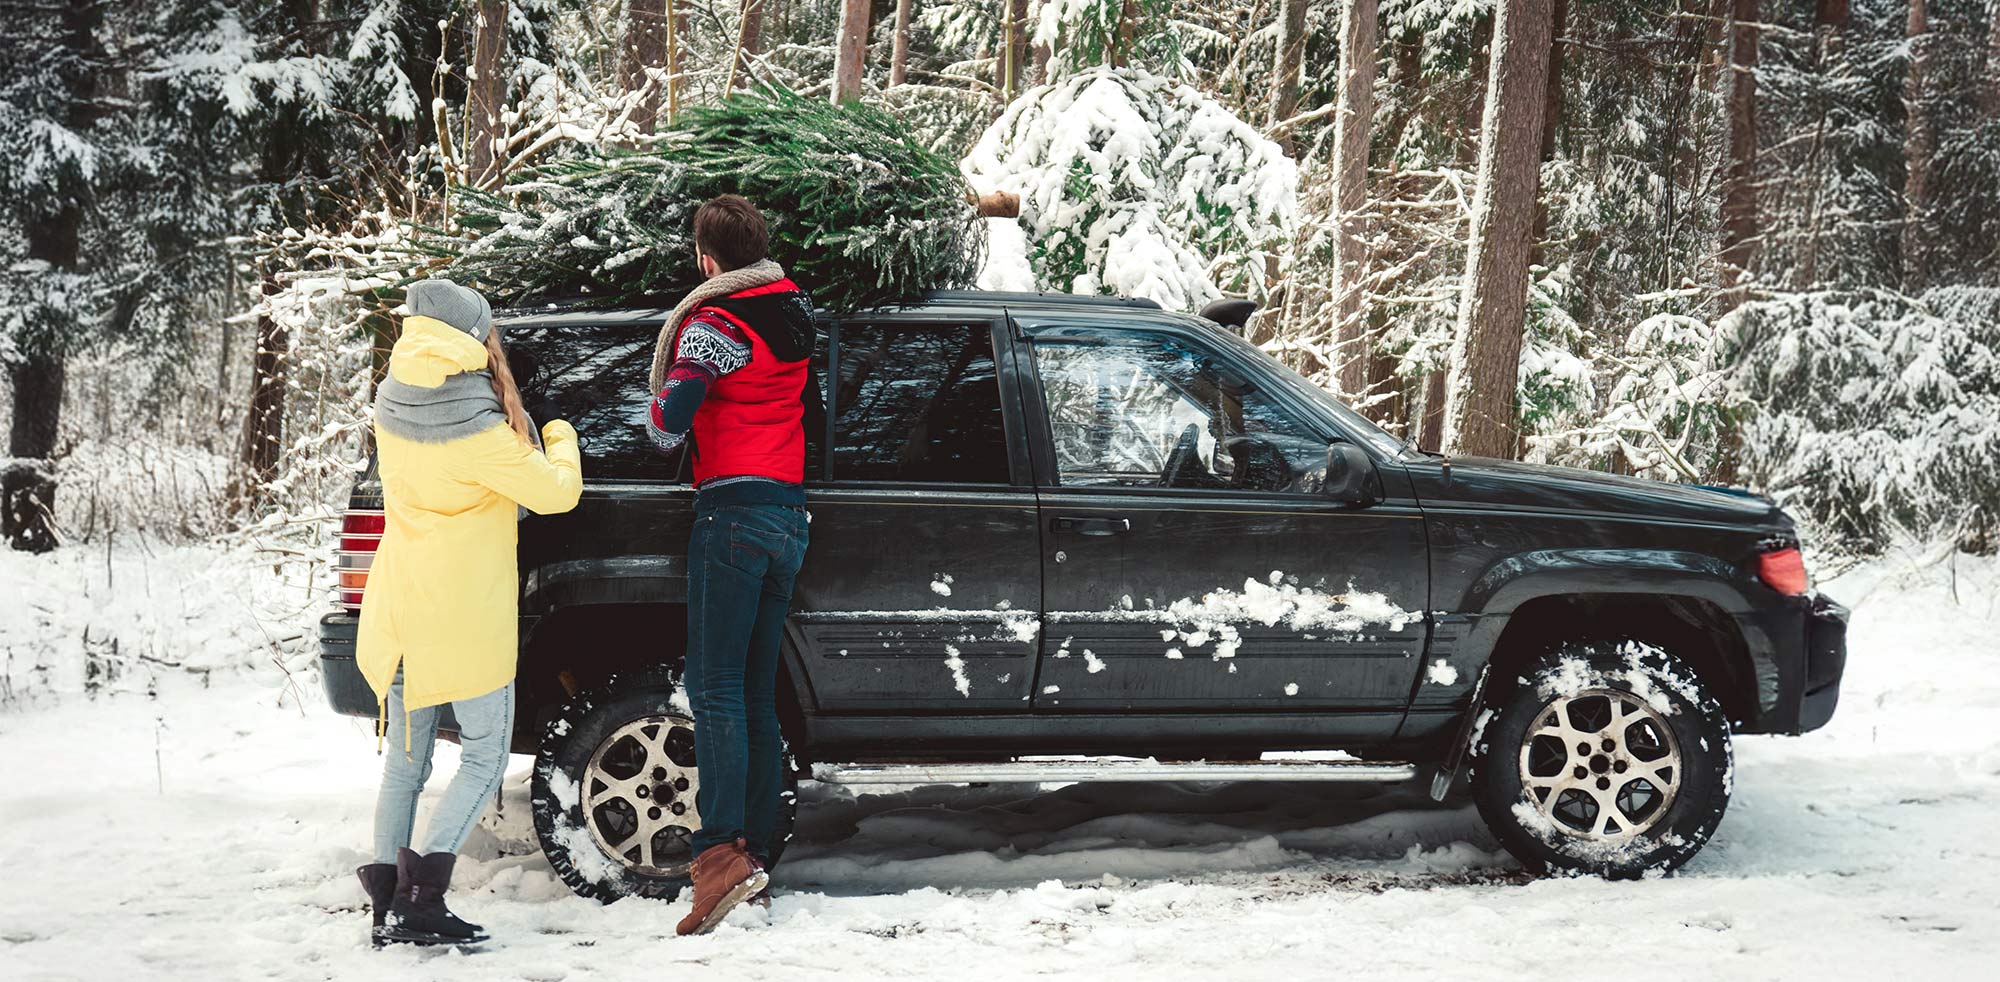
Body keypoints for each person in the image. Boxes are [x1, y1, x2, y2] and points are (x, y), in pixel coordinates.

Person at [353, 279, 583, 947]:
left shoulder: (391, 401)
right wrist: (558, 430)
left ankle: (387, 903)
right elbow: (557, 493)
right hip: (463, 615)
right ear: (471, 340)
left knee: (405, 765)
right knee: (483, 756)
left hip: (401, 605)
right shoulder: (479, 430)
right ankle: (422, 899)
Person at [644, 194, 815, 936]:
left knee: (713, 689)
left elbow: (667, 423)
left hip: (734, 515)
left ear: (706, 260)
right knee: (752, 693)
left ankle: (718, 856)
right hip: (787, 516)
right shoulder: (795, 314)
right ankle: (756, 853)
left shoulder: (714, 325)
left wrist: (658, 403)